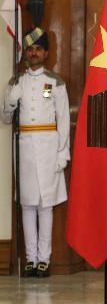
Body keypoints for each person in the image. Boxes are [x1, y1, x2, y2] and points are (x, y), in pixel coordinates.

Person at [1, 27, 69, 278]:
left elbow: (62, 118)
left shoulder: (54, 82)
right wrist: (10, 100)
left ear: (46, 52)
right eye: (30, 49)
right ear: (25, 53)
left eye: (38, 48)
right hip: (26, 146)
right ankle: (29, 259)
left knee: (45, 205)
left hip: (49, 146)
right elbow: (6, 119)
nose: (34, 52)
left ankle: (44, 259)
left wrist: (63, 152)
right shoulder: (16, 81)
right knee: (28, 205)